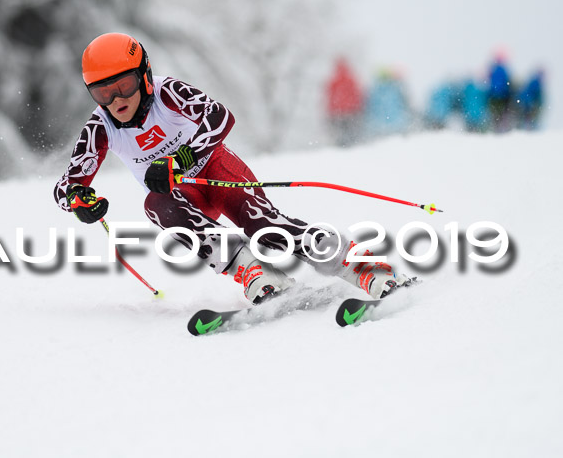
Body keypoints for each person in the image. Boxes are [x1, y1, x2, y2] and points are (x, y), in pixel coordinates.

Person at [53, 33, 412, 304]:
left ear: (144, 75)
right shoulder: (100, 128)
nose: (117, 101)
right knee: (155, 204)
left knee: (266, 229)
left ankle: (359, 264)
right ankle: (254, 271)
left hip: (217, 171)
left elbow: (220, 116)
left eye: (124, 86)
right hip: (182, 195)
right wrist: (78, 200)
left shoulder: (168, 93)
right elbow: (65, 187)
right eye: (103, 93)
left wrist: (180, 159)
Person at [325, 58, 364, 146]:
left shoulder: (333, 80)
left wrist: (330, 111)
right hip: (351, 111)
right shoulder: (351, 79)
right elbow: (357, 94)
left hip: (337, 112)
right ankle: (350, 147)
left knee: (339, 132)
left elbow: (329, 96)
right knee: (350, 132)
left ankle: (341, 146)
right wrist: (358, 108)